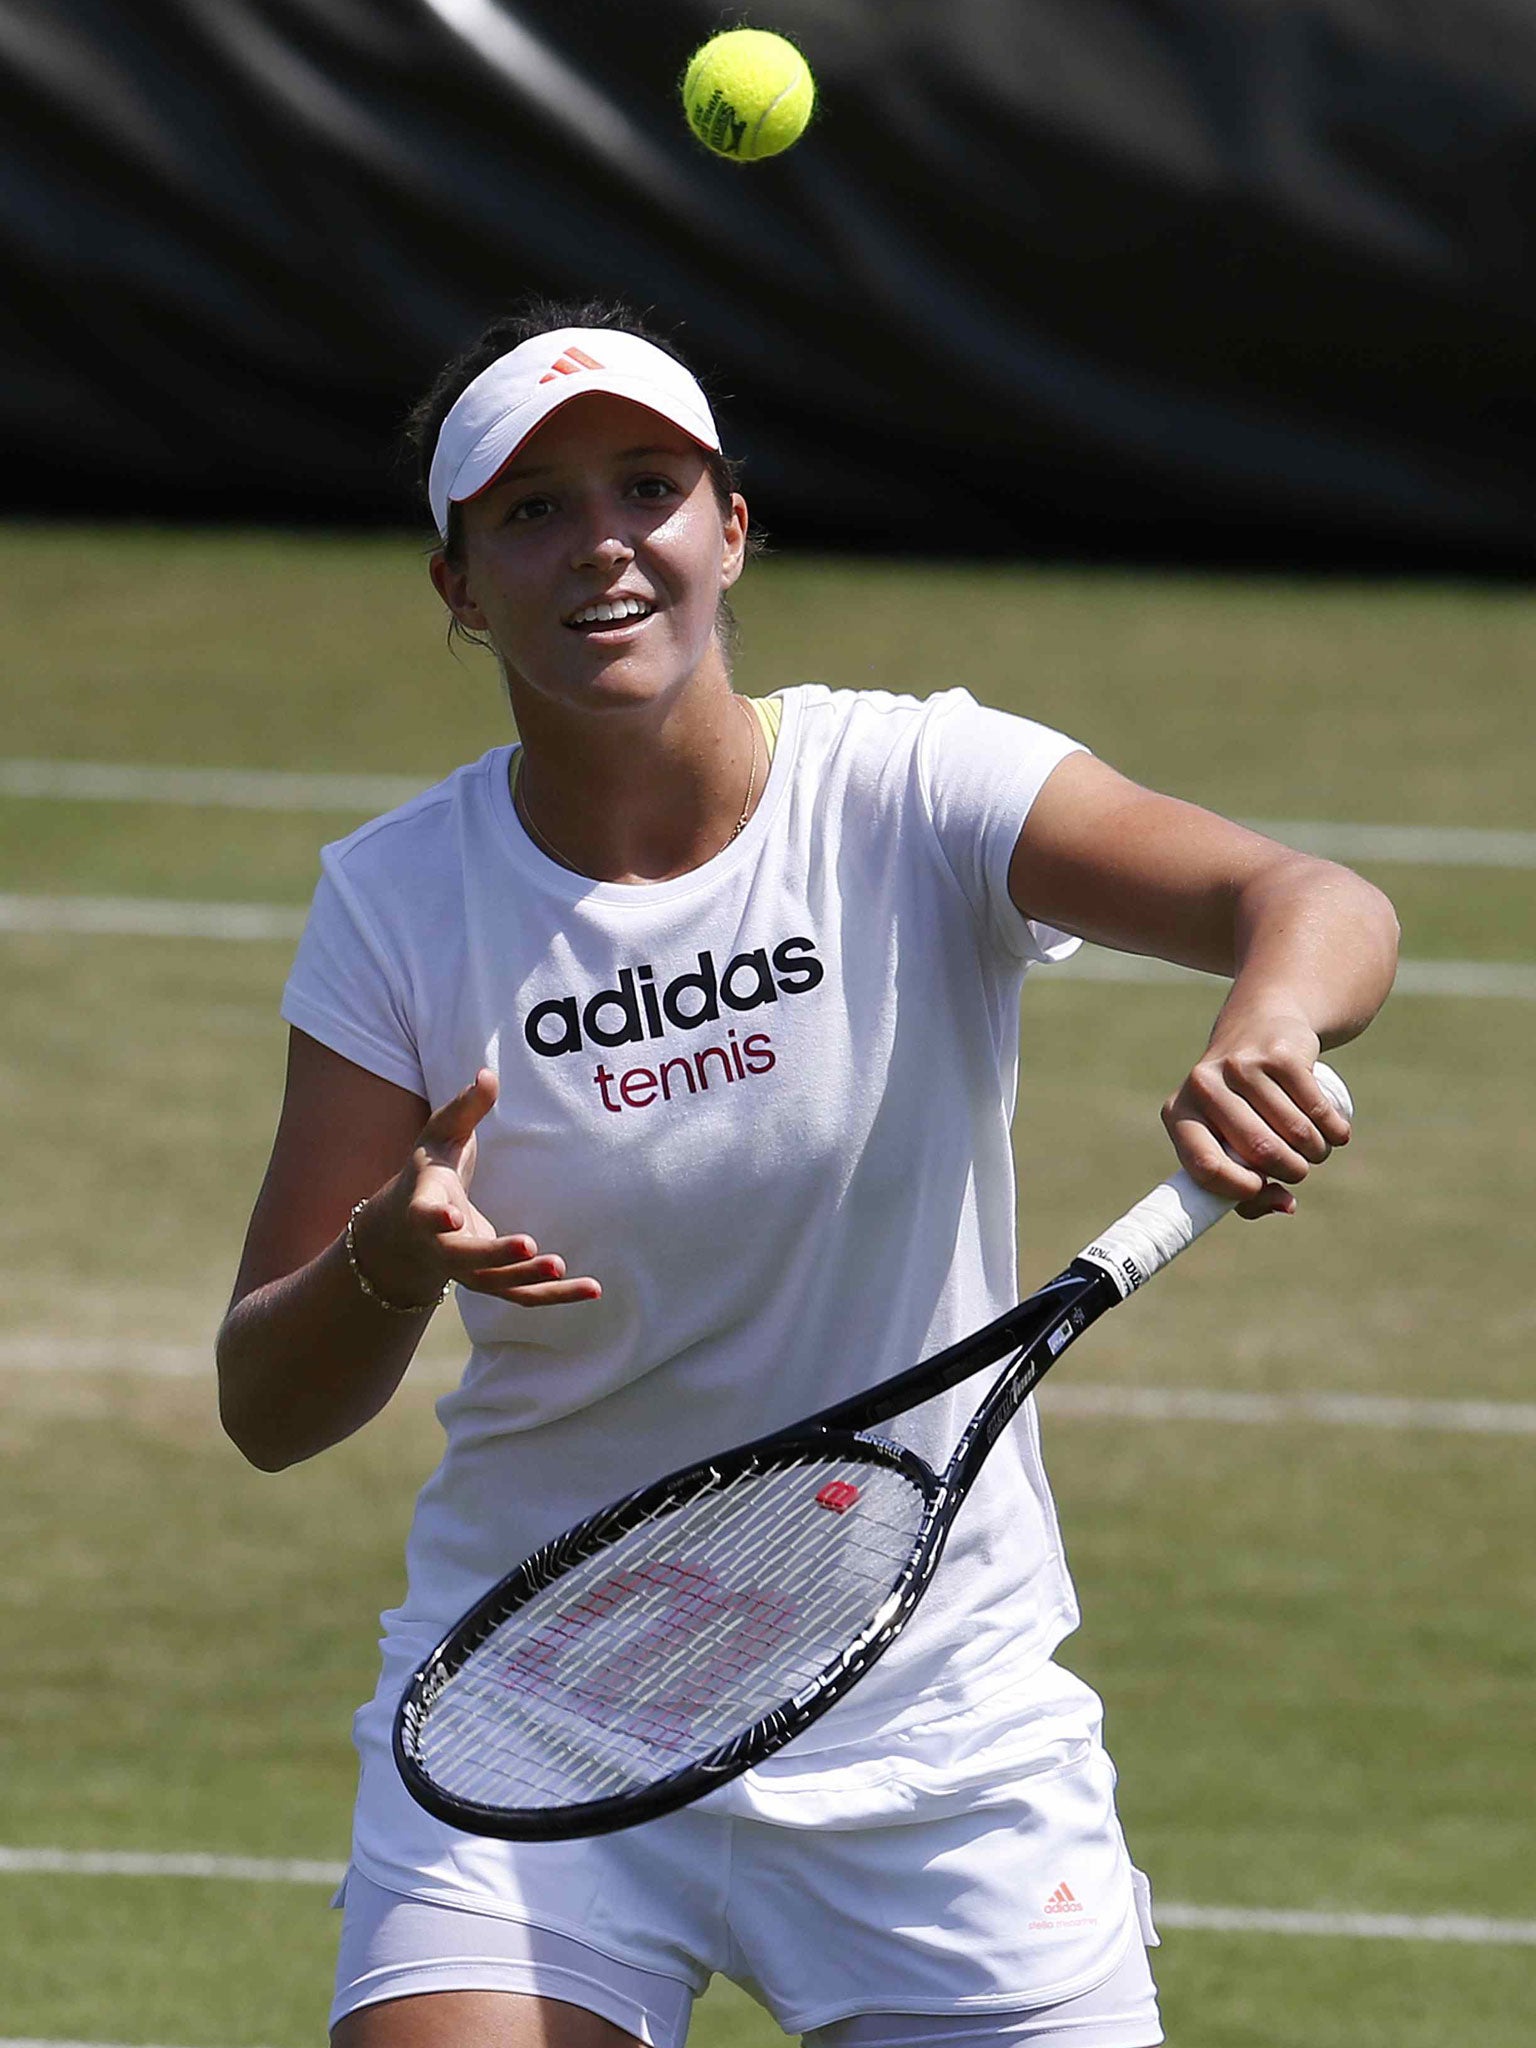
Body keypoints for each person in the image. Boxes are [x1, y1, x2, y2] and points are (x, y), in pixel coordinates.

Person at [217, 299, 1398, 2048]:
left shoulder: (915, 782)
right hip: (537, 1705)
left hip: (933, 1723)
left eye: (646, 486)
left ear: (731, 528)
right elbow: (266, 1400)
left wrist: (1270, 1028)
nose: (603, 543)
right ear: (459, 587)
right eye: (530, 511)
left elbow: (1313, 903)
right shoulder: (398, 903)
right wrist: (391, 1260)